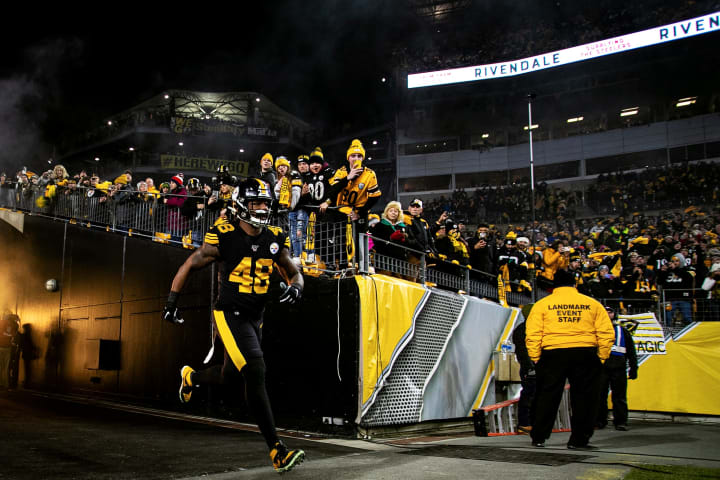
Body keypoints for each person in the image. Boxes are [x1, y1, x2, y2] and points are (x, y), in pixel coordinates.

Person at [162, 178, 305, 473]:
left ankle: (192, 377)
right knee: (255, 370)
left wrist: (297, 286)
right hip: (229, 313)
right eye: (257, 203)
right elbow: (190, 263)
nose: (263, 208)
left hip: (255, 316)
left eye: (266, 203)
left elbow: (293, 271)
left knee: (230, 376)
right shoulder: (224, 235)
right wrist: (171, 302)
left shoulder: (275, 236)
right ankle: (277, 450)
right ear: (241, 205)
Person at [525, 268, 614, 449]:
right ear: (574, 284)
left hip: (552, 352)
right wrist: (602, 356)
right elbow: (606, 332)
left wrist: (535, 356)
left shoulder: (542, 304)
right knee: (585, 399)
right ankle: (579, 440)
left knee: (546, 396)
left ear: (553, 285)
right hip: (585, 352)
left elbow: (533, 333)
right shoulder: (592, 304)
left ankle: (539, 437)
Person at [326, 139, 382, 266]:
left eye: (359, 156)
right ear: (348, 157)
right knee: (340, 240)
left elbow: (375, 196)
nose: (356, 158)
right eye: (353, 155)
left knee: (360, 239)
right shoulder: (341, 172)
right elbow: (332, 191)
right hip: (342, 211)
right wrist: (348, 178)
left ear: (362, 158)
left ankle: (361, 266)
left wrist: (360, 213)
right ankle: (343, 266)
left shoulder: (369, 174)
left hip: (360, 212)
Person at [596, 306, 638, 431]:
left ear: (614, 314)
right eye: (605, 312)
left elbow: (631, 351)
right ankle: (599, 421)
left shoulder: (622, 331)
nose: (608, 314)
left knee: (619, 396)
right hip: (601, 368)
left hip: (618, 368)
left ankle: (620, 422)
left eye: (610, 312)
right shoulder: (596, 330)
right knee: (599, 396)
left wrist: (633, 368)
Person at [512, 304, 536, 435]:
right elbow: (522, 352)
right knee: (529, 393)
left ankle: (531, 422)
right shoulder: (523, 330)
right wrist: (529, 368)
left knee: (534, 394)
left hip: (533, 366)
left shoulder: (527, 328)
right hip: (530, 367)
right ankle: (524, 423)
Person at [657, 252, 695, 326]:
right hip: (669, 299)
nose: (674, 263)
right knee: (668, 318)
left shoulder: (687, 270)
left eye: (677, 261)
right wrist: (663, 271)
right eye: (673, 261)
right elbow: (659, 281)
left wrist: (676, 269)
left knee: (687, 318)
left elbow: (688, 279)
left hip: (683, 299)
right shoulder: (668, 271)